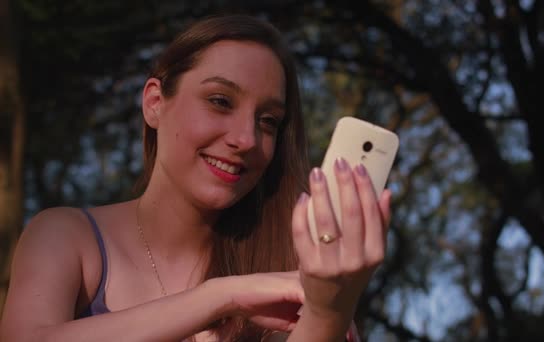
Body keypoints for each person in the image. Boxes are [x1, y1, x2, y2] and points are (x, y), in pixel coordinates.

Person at [0, 14, 391, 341]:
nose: (246, 139)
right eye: (220, 101)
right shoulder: (67, 235)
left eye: (268, 121)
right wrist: (222, 297)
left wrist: (328, 310)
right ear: (155, 103)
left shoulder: (291, 267)